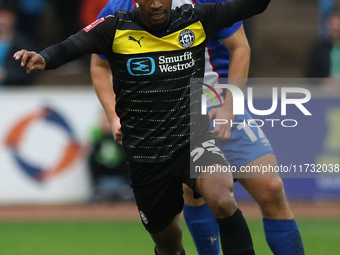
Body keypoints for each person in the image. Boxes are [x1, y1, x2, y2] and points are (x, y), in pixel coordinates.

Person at [14, 0, 271, 254]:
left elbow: (250, 7)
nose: (157, 4)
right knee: (168, 243)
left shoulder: (195, 18)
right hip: (146, 154)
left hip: (193, 138)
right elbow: (72, 46)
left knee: (223, 199)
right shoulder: (114, 27)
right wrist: (43, 57)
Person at [91, 1, 305, 255]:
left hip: (220, 100)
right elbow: (100, 65)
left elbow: (240, 47)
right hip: (175, 114)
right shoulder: (118, 7)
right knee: (197, 194)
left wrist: (229, 107)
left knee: (271, 187)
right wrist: (115, 117)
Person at [0, 1, 37, 86]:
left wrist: (6, 75)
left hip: (14, 94)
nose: (1, 21)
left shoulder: (23, 44)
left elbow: (30, 73)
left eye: (5, 17)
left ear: (14, 18)